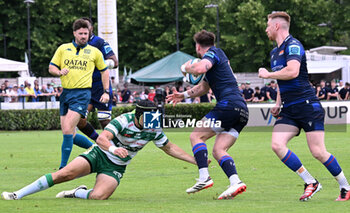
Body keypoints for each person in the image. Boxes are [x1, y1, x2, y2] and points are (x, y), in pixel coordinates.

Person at [1, 100, 198, 200]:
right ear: (138, 115)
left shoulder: (153, 126)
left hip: (117, 167)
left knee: (99, 197)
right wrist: (113, 149)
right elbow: (102, 138)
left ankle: (76, 193)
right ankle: (18, 194)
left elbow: (169, 147)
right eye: (147, 118)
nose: (151, 123)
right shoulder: (123, 120)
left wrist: (194, 161)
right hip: (99, 154)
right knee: (64, 174)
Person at [258, 11, 350, 201]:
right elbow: (282, 81)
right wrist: (277, 103)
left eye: (268, 25)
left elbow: (292, 71)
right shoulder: (274, 53)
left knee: (318, 151)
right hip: (289, 109)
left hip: (307, 105)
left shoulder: (293, 45)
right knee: (277, 145)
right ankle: (310, 182)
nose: (266, 29)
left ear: (276, 26)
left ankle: (345, 187)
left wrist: (267, 75)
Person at [167, 30, 249, 200]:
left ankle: (204, 177)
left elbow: (199, 67)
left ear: (198, 47)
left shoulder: (213, 53)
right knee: (219, 150)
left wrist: (186, 67)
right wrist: (182, 96)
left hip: (228, 105)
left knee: (196, 136)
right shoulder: (218, 58)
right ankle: (236, 182)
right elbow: (203, 88)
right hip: (241, 110)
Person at [48, 18, 110, 169]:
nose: (84, 36)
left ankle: (63, 168)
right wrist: (59, 72)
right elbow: (51, 67)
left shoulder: (94, 52)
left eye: (86, 33)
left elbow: (105, 71)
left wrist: (106, 91)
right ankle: (98, 151)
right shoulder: (63, 48)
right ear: (74, 33)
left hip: (82, 95)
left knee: (69, 128)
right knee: (70, 135)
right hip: (66, 94)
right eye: (81, 33)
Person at [76, 17, 118, 143]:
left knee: (104, 121)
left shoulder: (99, 42)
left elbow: (114, 62)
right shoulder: (74, 46)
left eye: (86, 29)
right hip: (84, 88)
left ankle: (115, 146)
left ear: (91, 29)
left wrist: (97, 63)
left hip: (100, 87)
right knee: (79, 120)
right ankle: (98, 141)